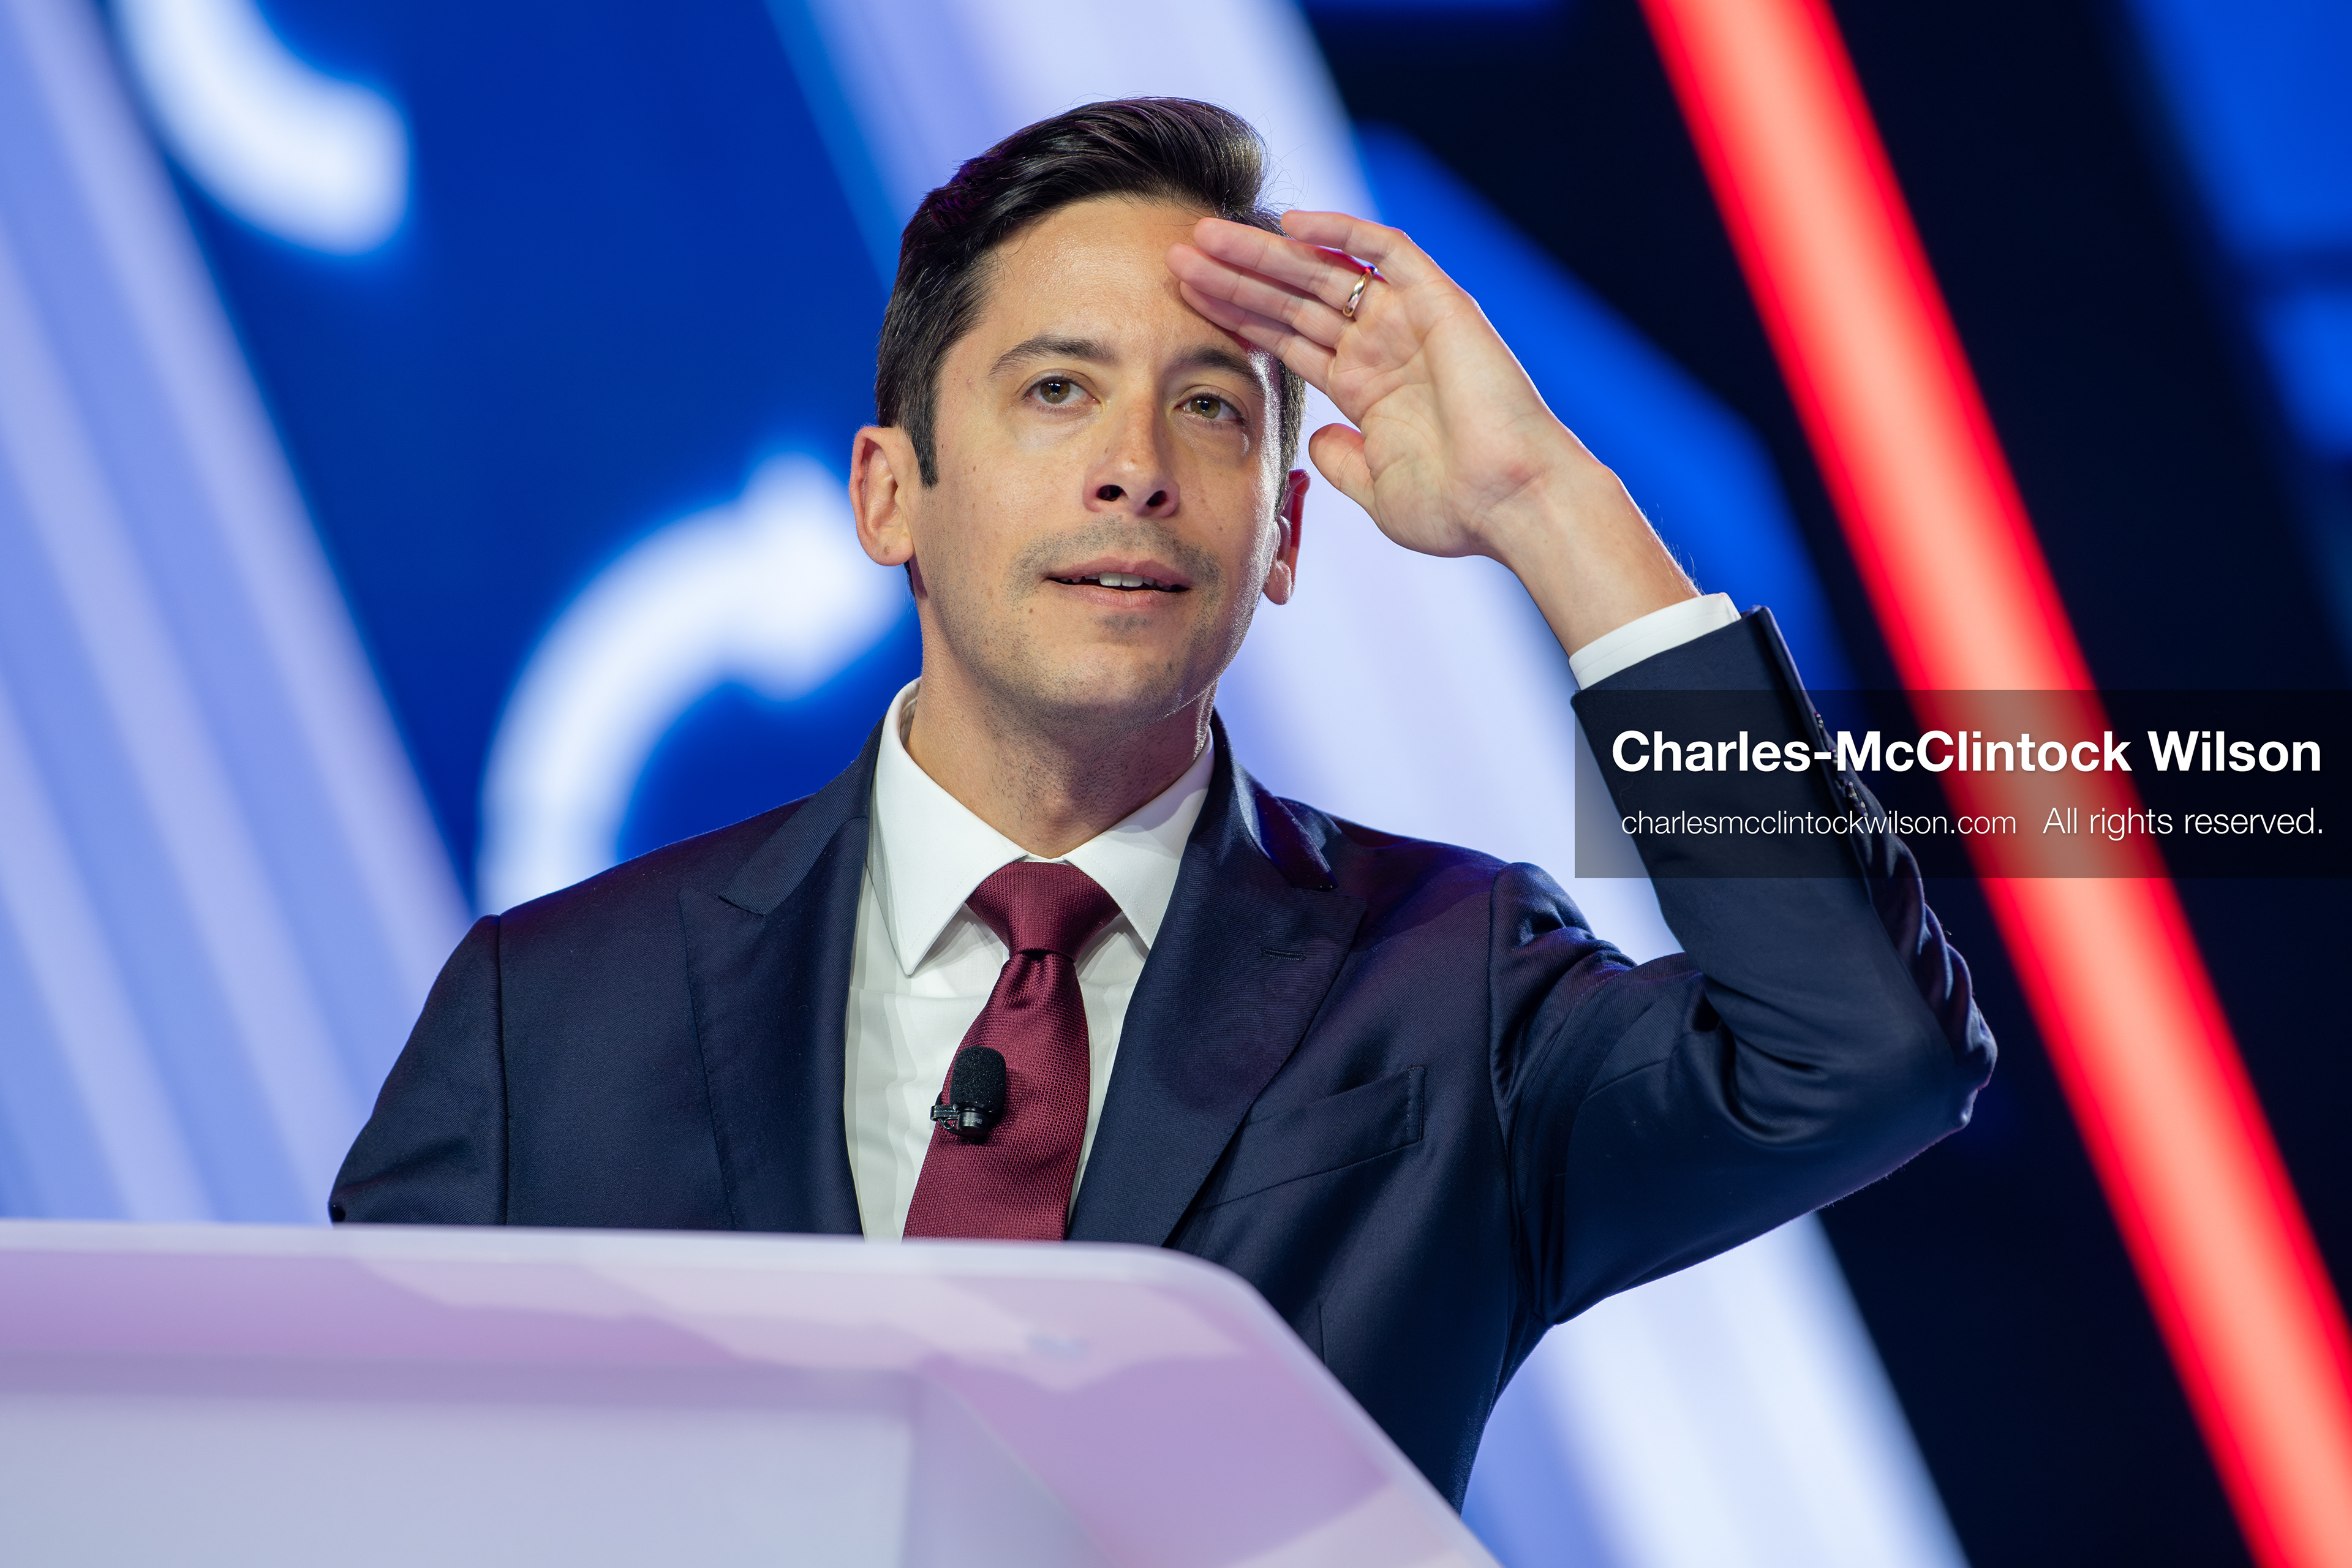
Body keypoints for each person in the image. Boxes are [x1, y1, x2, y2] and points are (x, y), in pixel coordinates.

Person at [333, 98, 1994, 1506]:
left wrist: (1545, 505)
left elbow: (1858, 1058)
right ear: (889, 495)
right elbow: (327, 1485)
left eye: (1208, 407)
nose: (1134, 463)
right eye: (1056, 390)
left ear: (1279, 537)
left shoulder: (1445, 982)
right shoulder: (546, 1013)